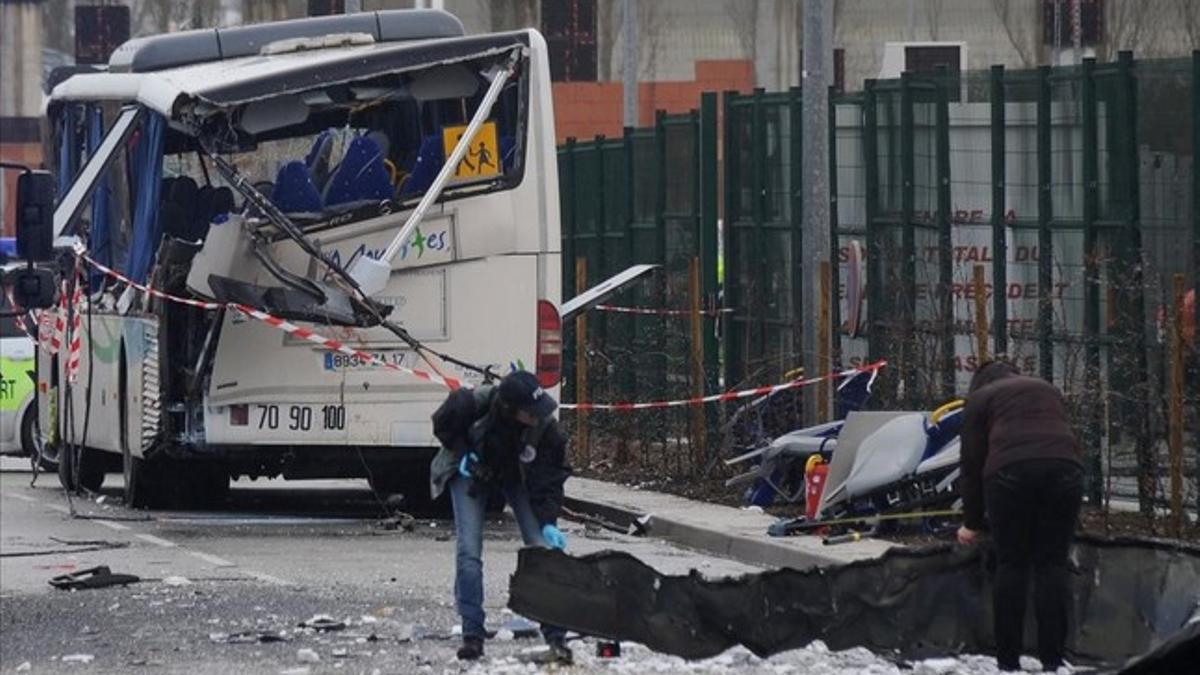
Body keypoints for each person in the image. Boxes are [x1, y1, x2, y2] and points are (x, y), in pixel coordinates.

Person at [429, 370, 573, 663]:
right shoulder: (471, 404)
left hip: (515, 475)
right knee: (469, 550)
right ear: (508, 408)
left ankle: (556, 635)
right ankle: (472, 635)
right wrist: (464, 451)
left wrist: (547, 521)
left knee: (540, 549)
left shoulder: (546, 429)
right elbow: (443, 425)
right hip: (470, 468)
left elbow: (549, 477)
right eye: (529, 412)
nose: (537, 416)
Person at [956, 360, 1084, 672]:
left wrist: (972, 523)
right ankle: (1053, 660)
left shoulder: (980, 400)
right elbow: (1059, 439)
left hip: (1009, 473)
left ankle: (1008, 661)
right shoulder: (1046, 388)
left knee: (1011, 563)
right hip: (1066, 470)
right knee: (1052, 564)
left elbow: (972, 466)